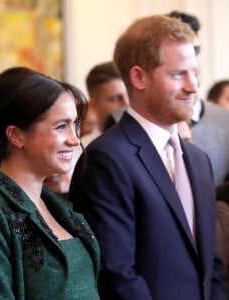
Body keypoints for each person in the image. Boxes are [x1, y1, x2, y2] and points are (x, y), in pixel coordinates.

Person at [70, 15, 226, 299]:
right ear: (139, 77)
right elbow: (117, 275)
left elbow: (212, 265)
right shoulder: (106, 159)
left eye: (195, 72)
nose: (193, 86)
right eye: (179, 74)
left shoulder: (198, 160)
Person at [0, 66, 100, 299]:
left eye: (75, 126)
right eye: (61, 126)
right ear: (16, 135)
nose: (74, 139)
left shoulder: (56, 206)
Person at [168, 11, 229, 186]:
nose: (190, 60)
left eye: (195, 50)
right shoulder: (120, 120)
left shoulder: (226, 122)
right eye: (180, 52)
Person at [81, 61, 129, 146]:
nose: (127, 103)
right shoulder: (79, 153)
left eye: (129, 95)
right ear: (94, 106)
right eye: (116, 98)